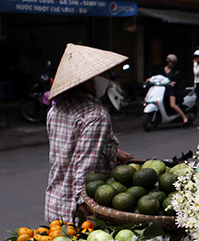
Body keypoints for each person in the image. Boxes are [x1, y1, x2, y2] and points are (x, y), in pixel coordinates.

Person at [45, 43, 134, 223]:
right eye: (104, 74)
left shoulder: (55, 110)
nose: (108, 77)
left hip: (55, 206)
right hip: (77, 214)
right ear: (87, 79)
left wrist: (113, 150)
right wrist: (87, 216)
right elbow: (85, 170)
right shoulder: (95, 114)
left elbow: (70, 148)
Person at [161, 54, 188, 124]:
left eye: (173, 63)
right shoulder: (162, 69)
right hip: (162, 90)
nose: (172, 64)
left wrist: (174, 82)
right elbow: (157, 77)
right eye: (171, 62)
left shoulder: (176, 72)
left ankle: (184, 117)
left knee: (172, 105)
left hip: (171, 90)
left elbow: (177, 81)